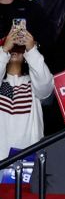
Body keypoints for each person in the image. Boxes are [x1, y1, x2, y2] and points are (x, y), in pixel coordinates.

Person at [0, 18, 52, 153]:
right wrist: (5, 49)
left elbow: (46, 87)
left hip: (29, 161)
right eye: (12, 48)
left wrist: (31, 49)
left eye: (19, 48)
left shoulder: (33, 82)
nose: (14, 50)